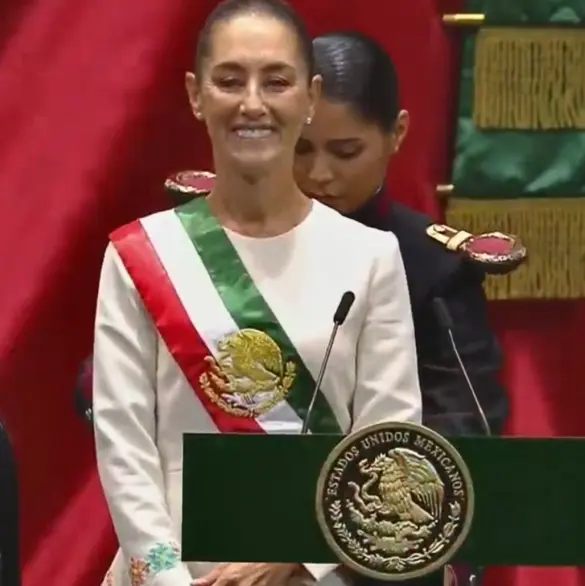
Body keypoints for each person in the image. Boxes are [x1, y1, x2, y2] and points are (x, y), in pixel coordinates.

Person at [92, 4, 422, 586]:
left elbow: (385, 446)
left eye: (276, 80)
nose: (252, 103)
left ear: (310, 97)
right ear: (196, 95)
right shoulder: (139, 255)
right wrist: (173, 581)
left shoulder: (371, 258)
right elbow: (125, 447)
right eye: (229, 80)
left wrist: (298, 555)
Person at [293, 31, 509, 438]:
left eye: (345, 152)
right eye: (300, 149)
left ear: (398, 133)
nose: (319, 174)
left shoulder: (436, 266)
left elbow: (464, 415)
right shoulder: (240, 240)